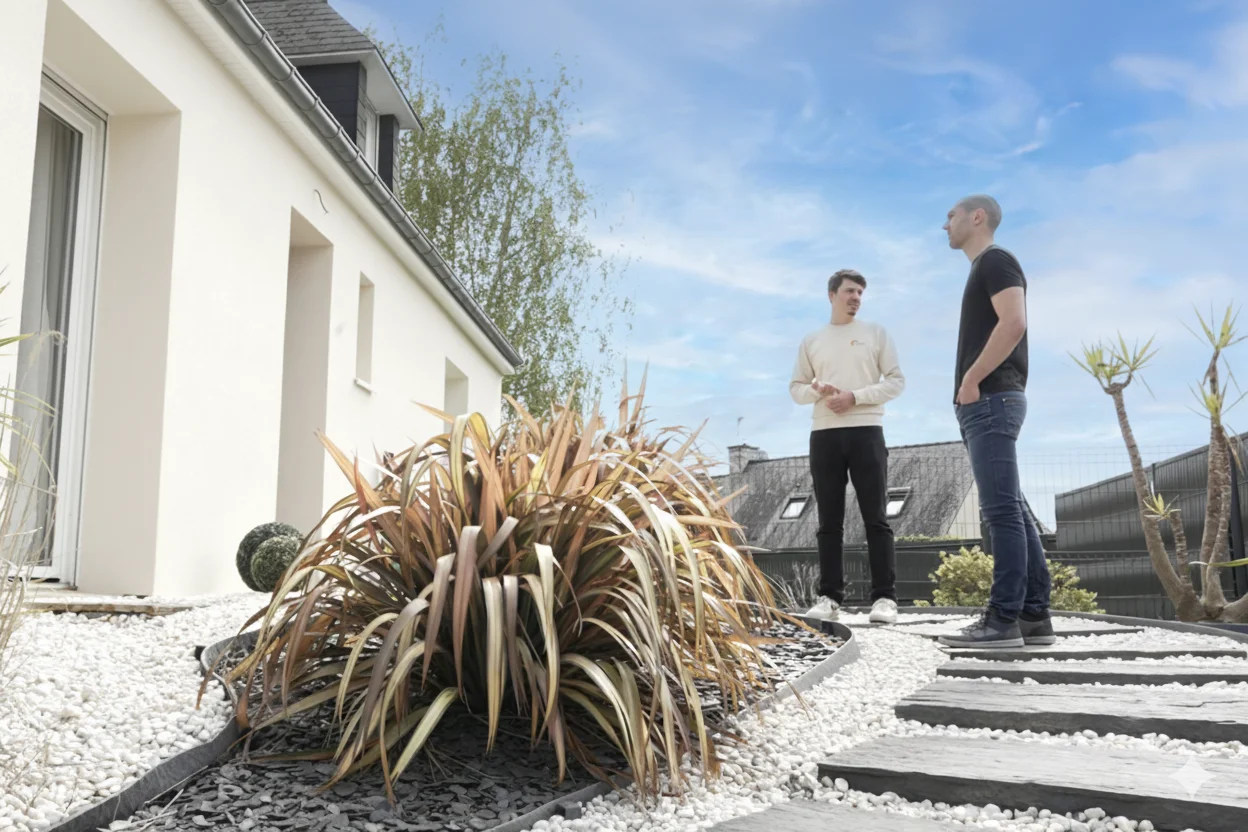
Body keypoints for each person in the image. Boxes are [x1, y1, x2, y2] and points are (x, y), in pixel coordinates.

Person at [937, 194, 1054, 648]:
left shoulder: (996, 261)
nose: (944, 225)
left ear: (977, 217)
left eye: (950, 216)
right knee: (1014, 509)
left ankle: (1001, 620)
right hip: (990, 401)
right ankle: (1033, 615)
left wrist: (971, 379)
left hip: (991, 399)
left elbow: (1014, 323)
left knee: (1000, 512)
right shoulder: (983, 267)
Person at [789, 269, 906, 625]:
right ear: (832, 295)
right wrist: (817, 391)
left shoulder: (876, 334)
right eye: (849, 292)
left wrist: (854, 397)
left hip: (867, 431)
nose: (856, 298)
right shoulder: (812, 340)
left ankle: (885, 599)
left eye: (860, 293)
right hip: (824, 435)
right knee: (828, 521)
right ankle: (829, 598)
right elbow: (796, 389)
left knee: (876, 518)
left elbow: (896, 382)